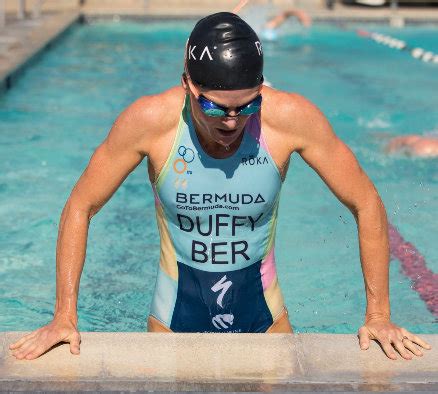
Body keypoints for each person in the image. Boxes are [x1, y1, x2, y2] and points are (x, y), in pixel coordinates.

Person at [10, 12, 431, 360]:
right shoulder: (150, 123)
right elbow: (80, 205)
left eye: (248, 105)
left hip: (266, 322)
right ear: (187, 85)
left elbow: (366, 202)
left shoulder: (291, 119)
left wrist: (378, 313)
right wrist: (65, 315)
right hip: (172, 324)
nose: (232, 122)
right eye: (215, 107)